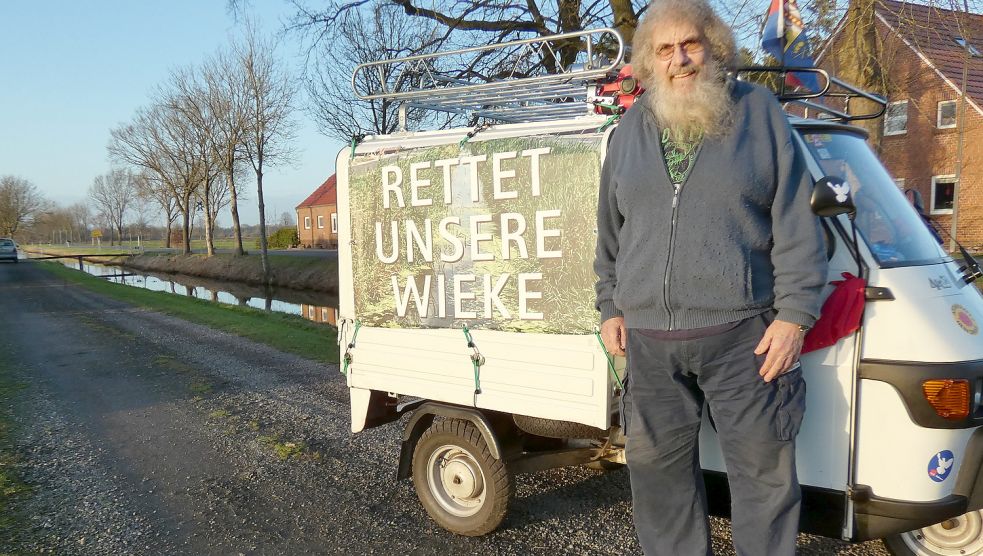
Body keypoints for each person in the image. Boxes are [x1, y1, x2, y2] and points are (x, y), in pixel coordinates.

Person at [593, 1, 828, 554]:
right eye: (665, 50)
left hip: (742, 338)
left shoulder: (759, 113)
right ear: (649, 63)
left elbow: (797, 222)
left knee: (764, 481)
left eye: (690, 44)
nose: (680, 59)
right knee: (659, 484)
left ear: (713, 47)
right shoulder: (629, 130)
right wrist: (610, 306)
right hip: (650, 342)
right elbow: (609, 233)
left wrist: (794, 315)